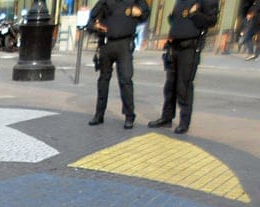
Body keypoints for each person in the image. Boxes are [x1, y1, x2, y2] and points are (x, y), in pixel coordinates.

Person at [147, 0, 219, 134]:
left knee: (183, 85)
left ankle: (184, 122)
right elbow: (175, 18)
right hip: (175, 46)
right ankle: (166, 117)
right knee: (170, 85)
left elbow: (212, 21)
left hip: (190, 47)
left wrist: (194, 14)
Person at [86, 0, 149, 129]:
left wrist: (138, 12)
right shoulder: (104, 2)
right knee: (103, 80)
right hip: (106, 43)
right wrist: (95, 26)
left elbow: (145, 13)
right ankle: (99, 114)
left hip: (124, 43)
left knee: (125, 79)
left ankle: (129, 115)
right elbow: (90, 22)